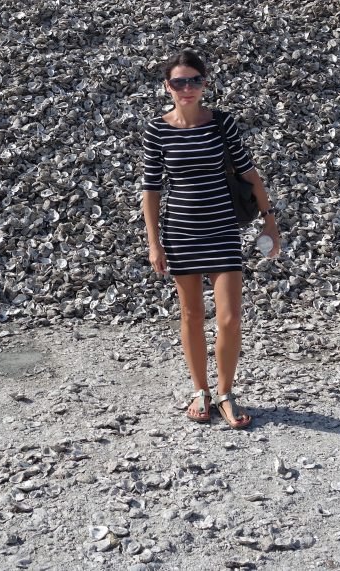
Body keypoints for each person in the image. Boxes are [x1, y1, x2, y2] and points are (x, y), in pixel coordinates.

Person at [141, 49, 281, 428]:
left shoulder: (222, 123)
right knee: (190, 314)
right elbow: (151, 191)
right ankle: (200, 391)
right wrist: (154, 243)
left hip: (221, 229)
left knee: (231, 318)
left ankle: (225, 392)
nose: (187, 88)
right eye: (179, 82)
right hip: (181, 232)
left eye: (194, 81)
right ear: (166, 87)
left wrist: (269, 222)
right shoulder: (158, 130)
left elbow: (250, 174)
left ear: (205, 84)